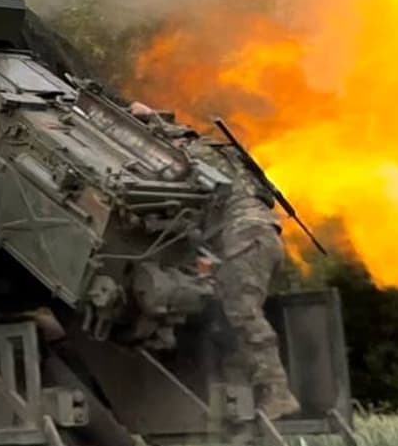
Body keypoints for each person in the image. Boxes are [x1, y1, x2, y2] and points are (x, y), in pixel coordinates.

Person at [129, 102, 302, 420]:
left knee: (242, 313)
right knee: (229, 314)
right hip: (260, 237)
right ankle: (239, 394)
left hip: (245, 238)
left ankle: (278, 393)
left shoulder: (190, 156)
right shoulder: (218, 152)